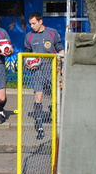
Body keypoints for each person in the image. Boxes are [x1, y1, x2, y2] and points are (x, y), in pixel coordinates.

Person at [24, 12, 64, 140]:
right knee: (39, 95)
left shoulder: (52, 32)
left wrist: (62, 65)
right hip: (37, 71)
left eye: (34, 23)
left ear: (41, 22)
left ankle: (55, 113)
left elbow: (60, 49)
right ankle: (40, 126)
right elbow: (26, 54)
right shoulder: (29, 36)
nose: (32, 26)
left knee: (55, 95)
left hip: (51, 69)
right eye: (30, 24)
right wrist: (27, 63)